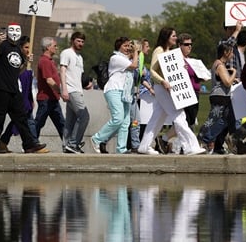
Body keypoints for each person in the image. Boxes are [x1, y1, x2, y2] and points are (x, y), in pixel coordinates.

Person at [137, 27, 205, 155]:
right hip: (162, 88)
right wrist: (163, 81)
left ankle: (144, 146)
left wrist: (181, 67)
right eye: (173, 36)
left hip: (168, 88)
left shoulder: (171, 52)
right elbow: (152, 70)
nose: (175, 38)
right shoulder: (159, 50)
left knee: (157, 118)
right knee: (179, 115)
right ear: (166, 36)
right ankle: (191, 146)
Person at [0, 22, 47, 154]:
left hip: (13, 89)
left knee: (21, 117)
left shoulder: (18, 49)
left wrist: (26, 62)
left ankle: (29, 144)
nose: (14, 33)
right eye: (12, 30)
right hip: (0, 88)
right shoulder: (3, 45)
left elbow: (17, 70)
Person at [90, 37, 138, 154]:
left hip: (125, 92)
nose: (128, 48)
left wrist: (135, 52)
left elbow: (135, 63)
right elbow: (134, 66)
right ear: (118, 47)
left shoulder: (126, 59)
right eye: (125, 46)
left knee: (125, 122)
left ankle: (121, 149)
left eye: (129, 46)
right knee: (118, 118)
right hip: (114, 90)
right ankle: (97, 138)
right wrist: (136, 51)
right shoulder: (116, 58)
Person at [197, 43, 237, 154]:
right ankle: (201, 139)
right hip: (219, 97)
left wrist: (234, 79)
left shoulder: (219, 64)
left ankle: (209, 139)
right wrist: (234, 73)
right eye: (231, 52)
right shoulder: (220, 65)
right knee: (212, 120)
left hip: (223, 97)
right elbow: (227, 82)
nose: (232, 55)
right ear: (225, 52)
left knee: (225, 121)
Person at [0, 36, 37, 151]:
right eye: (26, 47)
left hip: (25, 96)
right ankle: (33, 142)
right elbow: (17, 74)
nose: (28, 50)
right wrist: (25, 63)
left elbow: (30, 84)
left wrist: (31, 98)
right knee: (21, 119)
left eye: (30, 48)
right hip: (15, 94)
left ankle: (5, 141)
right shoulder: (16, 59)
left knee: (21, 119)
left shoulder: (27, 62)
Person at [60, 31, 90, 153]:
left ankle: (66, 145)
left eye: (82, 41)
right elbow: (62, 71)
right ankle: (73, 144)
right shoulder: (67, 53)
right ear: (72, 40)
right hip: (71, 90)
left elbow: (78, 75)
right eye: (78, 41)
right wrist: (64, 89)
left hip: (77, 90)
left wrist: (85, 85)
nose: (81, 43)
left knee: (70, 120)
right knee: (84, 116)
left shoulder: (79, 57)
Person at [34, 36, 65, 141]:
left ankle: (69, 144)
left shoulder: (50, 61)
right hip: (46, 99)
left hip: (53, 98)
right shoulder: (45, 61)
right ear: (48, 47)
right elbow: (49, 80)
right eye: (54, 46)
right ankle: (31, 142)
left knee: (61, 123)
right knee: (39, 122)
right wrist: (61, 91)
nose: (56, 48)